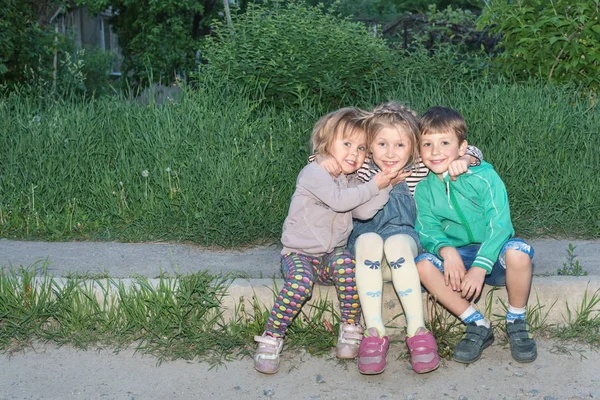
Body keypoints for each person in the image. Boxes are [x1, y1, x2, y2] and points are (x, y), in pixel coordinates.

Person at [319, 102, 483, 375]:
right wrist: (325, 159)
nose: (391, 154)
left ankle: (417, 330)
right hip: (365, 234)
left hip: (404, 235)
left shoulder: (418, 168)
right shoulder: (363, 168)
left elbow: (473, 150)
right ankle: (374, 331)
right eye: (382, 144)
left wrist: (464, 160)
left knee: (396, 244)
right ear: (370, 146)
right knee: (369, 242)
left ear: (414, 148)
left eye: (400, 145)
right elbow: (328, 156)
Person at [253, 107, 401, 374]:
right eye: (346, 144)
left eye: (361, 149)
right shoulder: (314, 173)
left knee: (349, 266)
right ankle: (272, 336)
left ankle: (349, 327)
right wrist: (373, 185)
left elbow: (362, 211)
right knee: (300, 283)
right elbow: (338, 201)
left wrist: (385, 186)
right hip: (299, 254)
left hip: (331, 253)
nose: (354, 154)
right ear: (325, 141)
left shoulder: (351, 179)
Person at [414, 106, 536, 365]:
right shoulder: (424, 190)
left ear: (462, 148)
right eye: (427, 144)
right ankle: (477, 323)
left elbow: (500, 225)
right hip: (458, 257)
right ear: (419, 149)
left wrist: (481, 266)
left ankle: (516, 319)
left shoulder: (483, 177)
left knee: (519, 252)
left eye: (444, 142)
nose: (435, 152)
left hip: (494, 253)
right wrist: (446, 252)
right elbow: (427, 229)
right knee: (423, 265)